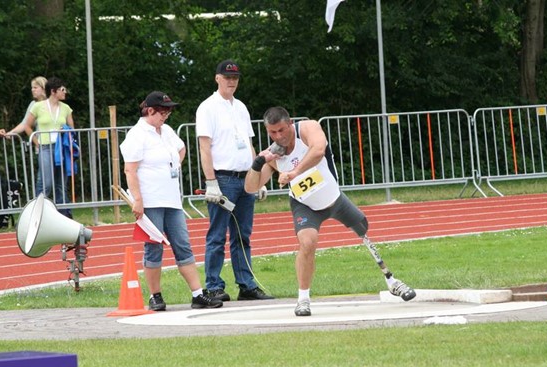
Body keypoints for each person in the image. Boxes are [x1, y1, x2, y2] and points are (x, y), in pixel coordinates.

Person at [245, 106, 417, 316]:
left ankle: (391, 279)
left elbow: (318, 150)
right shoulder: (273, 155)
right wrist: (259, 162)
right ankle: (303, 299)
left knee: (363, 228)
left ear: (290, 124)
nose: (278, 136)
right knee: (307, 243)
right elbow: (250, 188)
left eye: (282, 130)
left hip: (334, 199)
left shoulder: (307, 128)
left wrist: (294, 173)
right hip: (305, 205)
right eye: (272, 132)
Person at [120, 91, 223, 311]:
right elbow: (130, 169)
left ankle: (197, 294)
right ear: (150, 111)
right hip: (151, 200)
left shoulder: (165, 131)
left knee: (183, 245)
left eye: (168, 111)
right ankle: (155, 296)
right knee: (154, 248)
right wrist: (138, 200)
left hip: (172, 199)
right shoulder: (137, 135)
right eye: (162, 111)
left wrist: (173, 166)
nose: (166, 115)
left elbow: (181, 148)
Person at [195, 59, 274, 302]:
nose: (232, 81)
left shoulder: (241, 107)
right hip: (224, 177)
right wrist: (211, 182)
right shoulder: (207, 108)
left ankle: (246, 285)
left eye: (235, 78)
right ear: (217, 78)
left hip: (244, 177)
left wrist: (257, 176)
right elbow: (204, 147)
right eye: (227, 77)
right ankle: (214, 285)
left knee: (243, 235)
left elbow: (249, 144)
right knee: (217, 235)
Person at [23, 77, 74, 217]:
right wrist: (36, 142)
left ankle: (64, 215)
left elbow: (72, 127)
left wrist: (67, 131)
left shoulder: (66, 108)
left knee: (61, 184)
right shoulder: (38, 106)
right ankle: (39, 215)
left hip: (61, 149)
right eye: (62, 90)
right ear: (53, 91)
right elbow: (27, 125)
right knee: (46, 183)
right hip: (45, 147)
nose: (65, 92)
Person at [0, 76, 47, 142]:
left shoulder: (53, 103)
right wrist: (10, 133)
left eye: (35, 87)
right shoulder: (33, 104)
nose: (32, 90)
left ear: (44, 89)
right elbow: (24, 123)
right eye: (32, 88)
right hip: (41, 145)